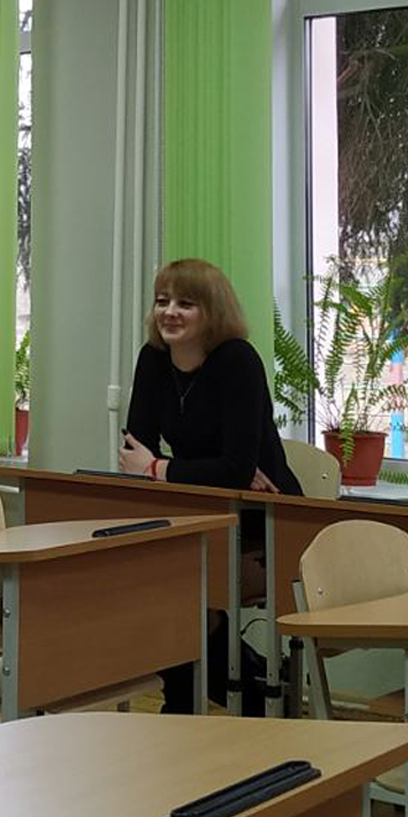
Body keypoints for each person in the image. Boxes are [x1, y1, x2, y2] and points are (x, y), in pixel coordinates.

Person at [118, 257, 300, 714]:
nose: (169, 312)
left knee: (177, 587)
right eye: (162, 301)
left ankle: (218, 700)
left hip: (266, 520)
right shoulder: (153, 359)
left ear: (212, 312)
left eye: (186, 303)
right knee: (147, 581)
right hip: (199, 512)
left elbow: (232, 472)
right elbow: (132, 453)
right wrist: (199, 469)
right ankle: (236, 692)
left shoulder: (237, 360)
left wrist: (161, 468)